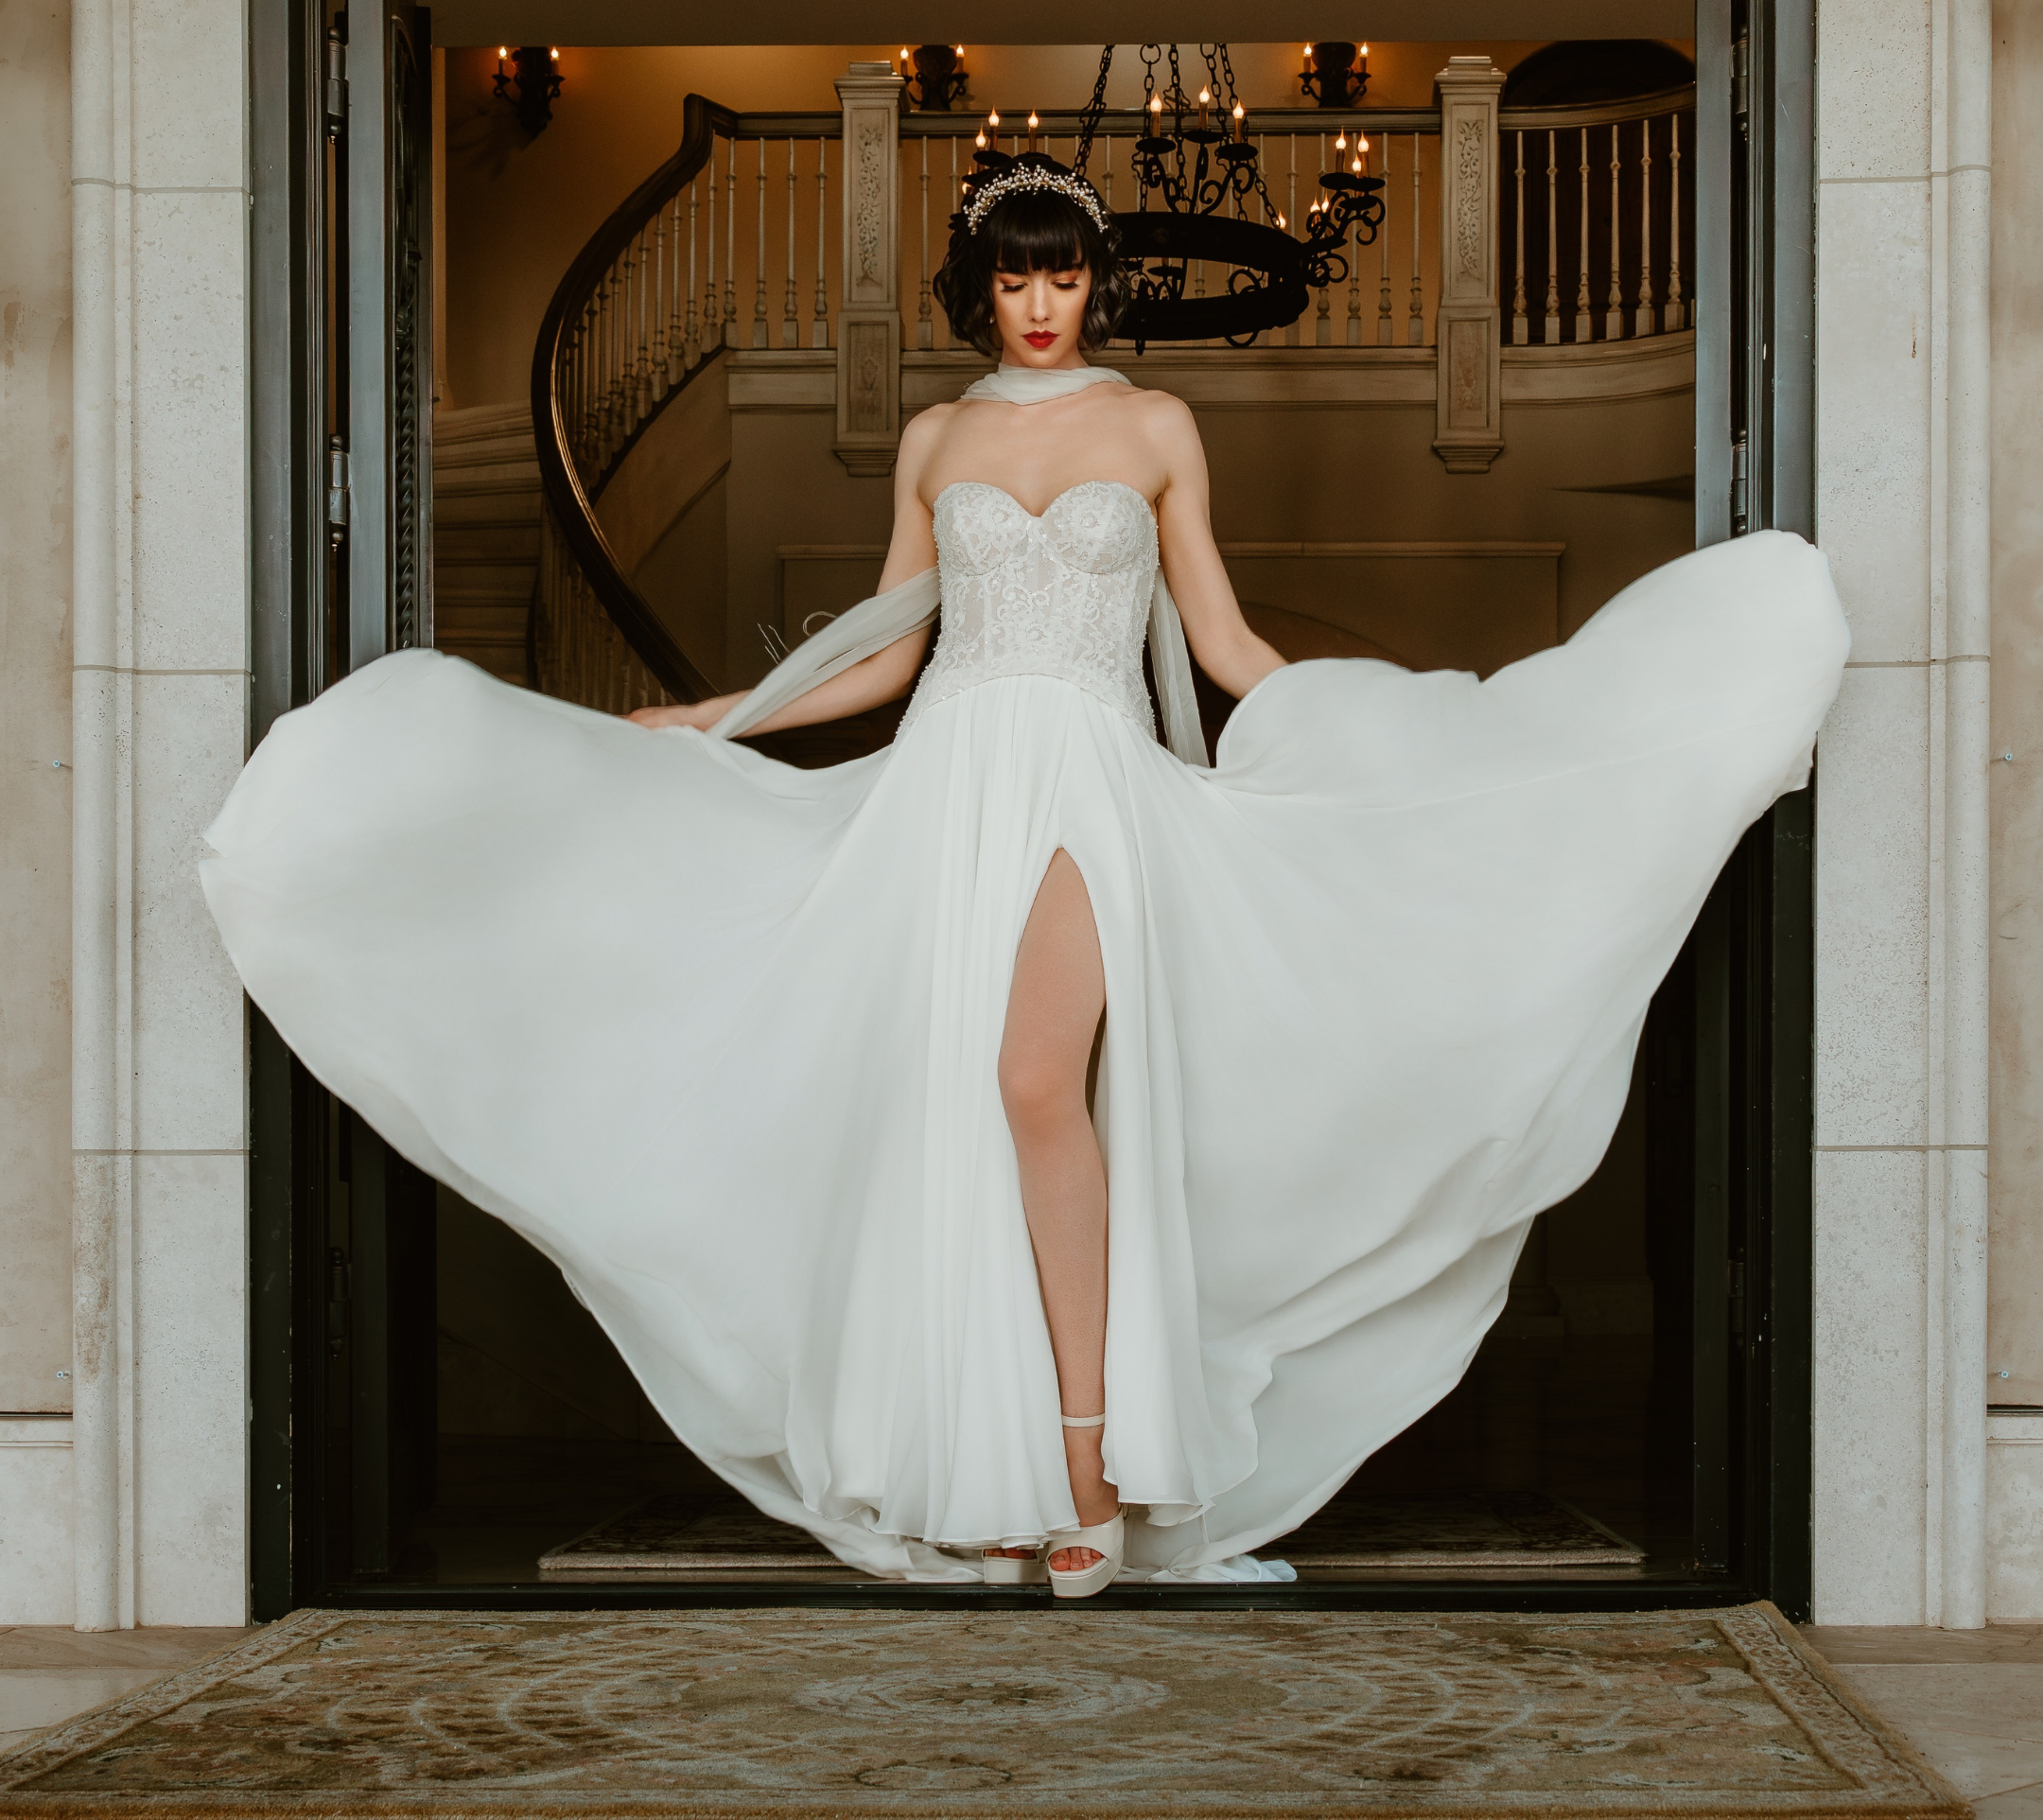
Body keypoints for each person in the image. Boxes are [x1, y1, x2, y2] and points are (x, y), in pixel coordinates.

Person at [201, 149, 1849, 1595]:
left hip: (1089, 779)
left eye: (1065, 273)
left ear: (1094, 282)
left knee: (1033, 1081)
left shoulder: (1156, 422)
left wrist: (1390, 738)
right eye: (1016, 274)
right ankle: (989, 1474)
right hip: (949, 780)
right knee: (943, 1107)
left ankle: (1085, 1468)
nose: (1042, 301)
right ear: (979, 288)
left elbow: (1212, 637)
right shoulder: (935, 437)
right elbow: (890, 650)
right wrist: (724, 715)